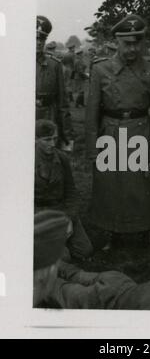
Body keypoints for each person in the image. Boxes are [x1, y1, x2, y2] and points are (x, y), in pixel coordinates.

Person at [86, 14, 150, 249]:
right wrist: (93, 148)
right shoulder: (101, 70)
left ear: (142, 43)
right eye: (127, 43)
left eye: (137, 43)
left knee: (143, 185)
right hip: (110, 133)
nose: (132, 49)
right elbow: (92, 112)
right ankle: (112, 232)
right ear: (117, 42)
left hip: (141, 132)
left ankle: (146, 232)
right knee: (111, 185)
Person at [34, 119, 93, 260]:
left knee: (85, 250)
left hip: (60, 208)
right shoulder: (26, 159)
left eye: (54, 139)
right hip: (37, 212)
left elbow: (71, 192)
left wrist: (69, 218)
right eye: (47, 140)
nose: (52, 144)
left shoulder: (62, 158)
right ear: (35, 140)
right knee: (63, 257)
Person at [36, 16, 73, 149]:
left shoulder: (54, 65)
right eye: (35, 38)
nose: (39, 43)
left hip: (49, 119)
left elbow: (63, 103)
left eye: (42, 39)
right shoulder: (14, 63)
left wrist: (67, 137)